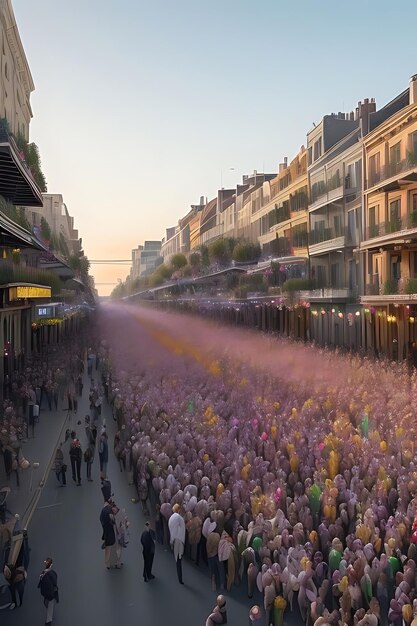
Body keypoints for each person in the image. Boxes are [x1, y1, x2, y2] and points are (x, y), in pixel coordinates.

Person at [38, 557, 59, 626]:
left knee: (48, 602)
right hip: (51, 592)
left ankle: (46, 603)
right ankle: (48, 620)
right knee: (51, 605)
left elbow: (40, 582)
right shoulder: (53, 573)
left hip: (45, 591)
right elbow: (55, 583)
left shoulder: (42, 574)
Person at [168, 504, 185, 584]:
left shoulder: (171, 518)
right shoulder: (179, 518)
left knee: (177, 559)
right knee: (179, 560)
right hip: (178, 541)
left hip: (174, 541)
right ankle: (180, 579)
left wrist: (171, 541)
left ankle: (180, 578)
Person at [100, 500, 117, 569]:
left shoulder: (103, 512)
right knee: (109, 548)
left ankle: (108, 563)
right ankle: (109, 563)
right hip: (110, 535)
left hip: (107, 533)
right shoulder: (109, 512)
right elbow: (113, 522)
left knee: (109, 548)